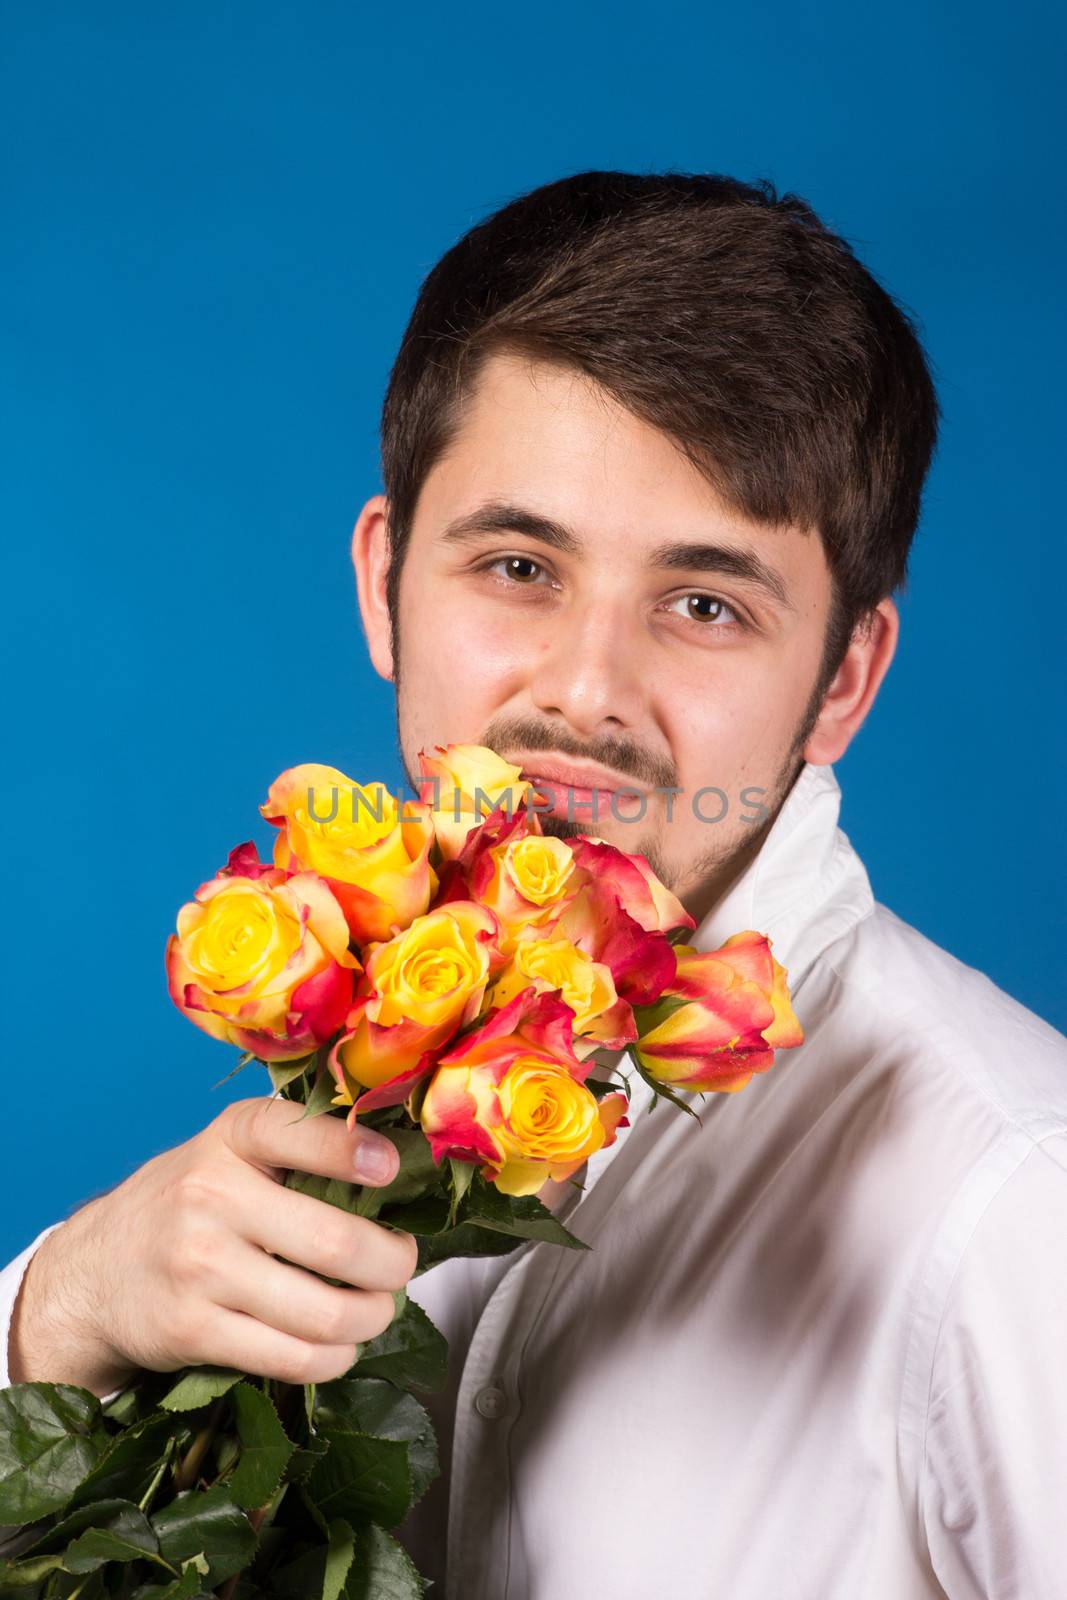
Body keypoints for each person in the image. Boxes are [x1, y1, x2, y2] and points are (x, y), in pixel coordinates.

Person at [3, 170, 1065, 1599]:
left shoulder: (1014, 1213)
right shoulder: (383, 1031)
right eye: (518, 565)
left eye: (705, 606)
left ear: (845, 682)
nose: (584, 693)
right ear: (386, 587)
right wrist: (52, 1322)